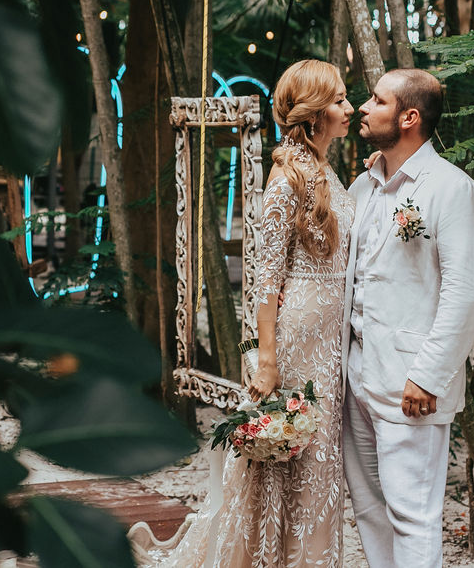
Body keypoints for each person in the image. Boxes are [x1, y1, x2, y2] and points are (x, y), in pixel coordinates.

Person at [129, 59, 355, 567]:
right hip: (297, 341)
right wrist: (268, 356)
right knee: (294, 455)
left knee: (316, 466)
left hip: (329, 340)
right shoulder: (285, 181)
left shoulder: (324, 170)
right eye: (340, 100)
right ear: (314, 114)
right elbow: (266, 279)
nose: (349, 108)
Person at [341, 69, 474, 568]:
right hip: (357, 374)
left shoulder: (452, 190)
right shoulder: (363, 187)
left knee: (413, 514)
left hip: (412, 383)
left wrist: (427, 376)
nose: (363, 107)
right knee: (369, 508)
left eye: (376, 101)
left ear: (408, 117)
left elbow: (468, 293)